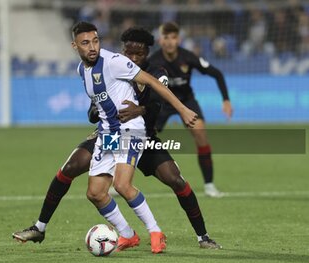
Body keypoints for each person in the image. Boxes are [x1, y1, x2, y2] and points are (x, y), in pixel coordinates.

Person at [12, 25, 221, 251]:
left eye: (138, 54)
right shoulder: (99, 67)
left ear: (146, 54)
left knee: (174, 180)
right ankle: (40, 227)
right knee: (74, 169)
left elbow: (156, 105)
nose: (132, 57)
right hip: (111, 133)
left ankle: (203, 236)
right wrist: (95, 112)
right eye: (128, 52)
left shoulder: (155, 71)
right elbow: (98, 103)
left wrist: (141, 110)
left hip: (143, 137)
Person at [148, 22, 233, 198]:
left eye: (173, 37)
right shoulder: (153, 61)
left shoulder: (188, 57)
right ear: (160, 40)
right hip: (162, 104)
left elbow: (217, 73)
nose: (170, 41)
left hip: (186, 102)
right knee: (140, 137)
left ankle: (209, 185)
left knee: (200, 133)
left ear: (178, 39)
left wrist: (226, 100)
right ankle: (120, 182)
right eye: (166, 37)